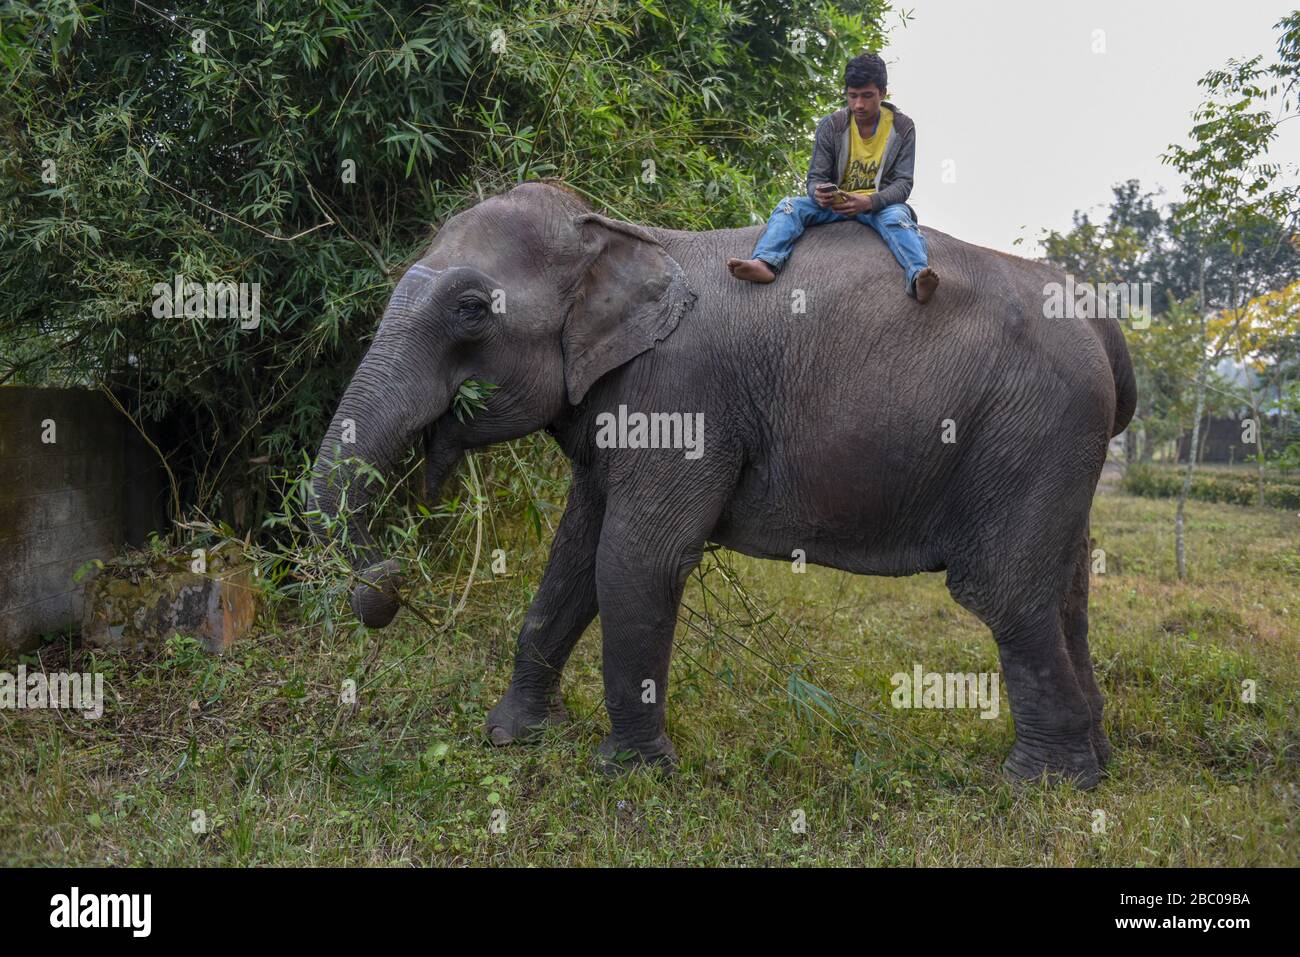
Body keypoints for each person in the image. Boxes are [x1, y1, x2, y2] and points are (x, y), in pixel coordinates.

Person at [727, 52, 940, 304]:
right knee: (789, 206)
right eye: (853, 96)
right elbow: (815, 177)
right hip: (835, 206)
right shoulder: (832, 125)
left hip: (878, 207)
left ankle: (918, 275)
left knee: (897, 220)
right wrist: (819, 193)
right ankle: (765, 262)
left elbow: (904, 184)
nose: (859, 104)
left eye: (867, 96)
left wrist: (869, 202)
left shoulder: (903, 128)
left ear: (882, 93)